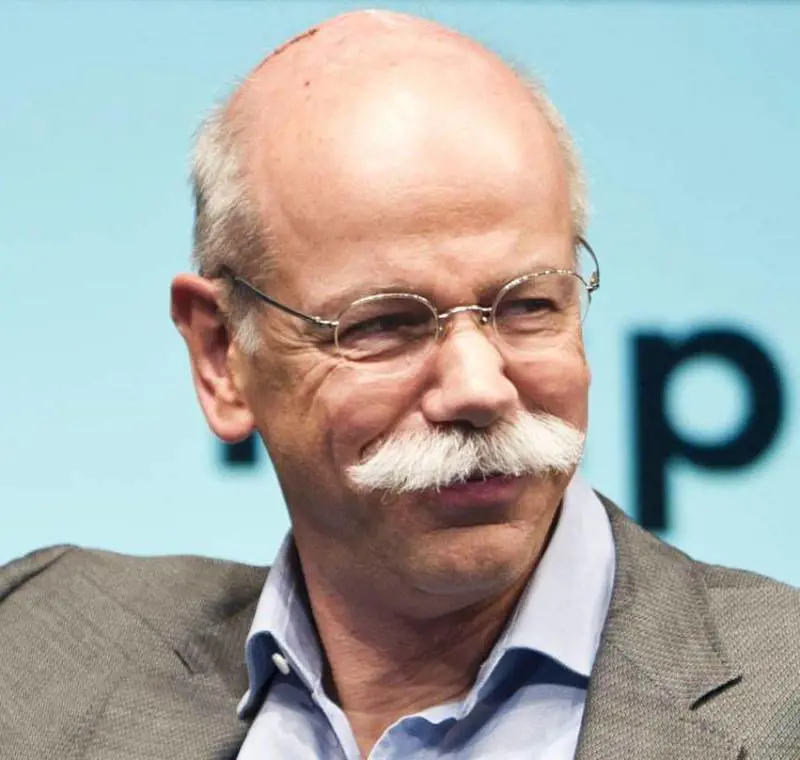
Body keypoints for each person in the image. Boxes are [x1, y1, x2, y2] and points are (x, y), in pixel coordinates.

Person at [1, 9, 798, 760]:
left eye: (528, 306)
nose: (480, 388)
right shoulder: (38, 648)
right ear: (221, 355)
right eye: (384, 323)